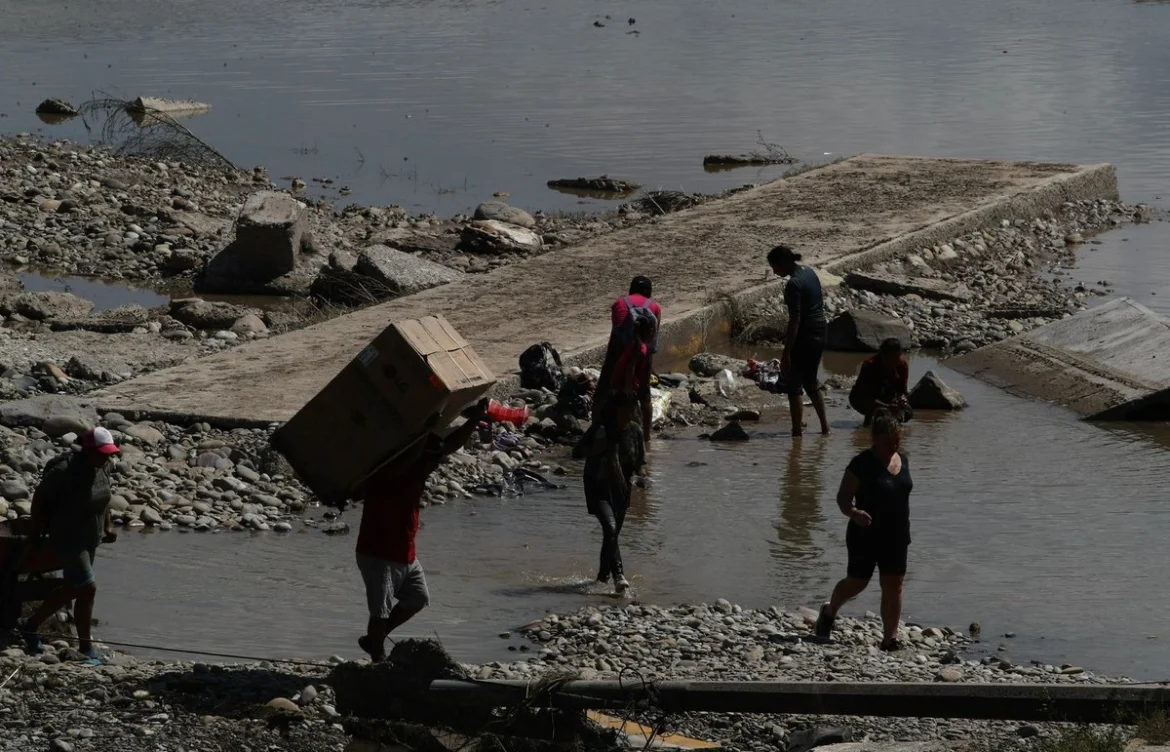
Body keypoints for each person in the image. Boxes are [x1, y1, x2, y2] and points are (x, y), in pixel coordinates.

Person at [355, 399, 488, 663]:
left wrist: (475, 419)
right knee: (379, 612)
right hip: (379, 552)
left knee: (417, 598)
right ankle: (377, 659)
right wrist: (425, 433)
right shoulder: (388, 469)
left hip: (404, 551)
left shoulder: (417, 464)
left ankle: (375, 640)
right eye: (428, 461)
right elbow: (402, 464)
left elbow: (449, 446)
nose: (433, 466)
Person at [814, 410, 913, 651]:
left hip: (897, 534)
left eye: (897, 441)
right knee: (858, 582)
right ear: (875, 439)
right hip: (864, 533)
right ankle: (829, 611)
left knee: (894, 584)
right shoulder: (860, 464)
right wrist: (854, 513)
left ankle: (890, 638)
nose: (894, 446)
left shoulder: (903, 459)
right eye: (888, 442)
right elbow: (842, 499)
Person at [23, 426, 121, 659]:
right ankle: (86, 648)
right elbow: (39, 500)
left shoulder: (104, 466)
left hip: (91, 536)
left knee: (77, 589)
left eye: (110, 453)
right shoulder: (64, 471)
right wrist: (36, 532)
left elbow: (103, 496)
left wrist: (108, 524)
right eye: (102, 452)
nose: (107, 456)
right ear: (87, 450)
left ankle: (31, 626)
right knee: (88, 587)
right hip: (67, 537)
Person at [576, 420, 647, 594]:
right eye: (623, 411)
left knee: (612, 536)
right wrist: (596, 449)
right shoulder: (600, 429)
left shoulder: (635, 431)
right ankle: (619, 576)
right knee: (610, 528)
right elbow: (576, 452)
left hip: (621, 490)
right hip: (597, 487)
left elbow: (640, 462)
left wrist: (643, 477)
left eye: (630, 411)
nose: (626, 415)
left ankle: (602, 578)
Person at [767, 244, 830, 436]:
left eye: (775, 267)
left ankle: (796, 434)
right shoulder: (809, 272)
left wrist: (786, 353)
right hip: (820, 330)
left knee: (793, 385)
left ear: (785, 263)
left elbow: (795, 321)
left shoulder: (793, 284)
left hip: (804, 335)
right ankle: (825, 428)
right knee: (811, 381)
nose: (774, 271)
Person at [595, 276, 662, 446]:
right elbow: (652, 338)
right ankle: (647, 440)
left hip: (620, 353)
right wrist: (648, 365)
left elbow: (615, 333)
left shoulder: (619, 303)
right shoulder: (654, 307)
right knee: (644, 397)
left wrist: (612, 363)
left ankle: (597, 428)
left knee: (603, 393)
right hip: (643, 355)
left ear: (631, 289)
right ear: (649, 292)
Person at [849, 338, 913, 425]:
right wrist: (887, 407)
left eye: (896, 358)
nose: (893, 363)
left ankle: (892, 426)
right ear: (882, 355)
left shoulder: (902, 365)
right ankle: (867, 426)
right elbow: (865, 396)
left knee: (907, 412)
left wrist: (901, 400)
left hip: (887, 395)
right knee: (873, 409)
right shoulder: (869, 365)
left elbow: (902, 390)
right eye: (890, 358)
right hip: (860, 398)